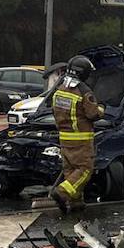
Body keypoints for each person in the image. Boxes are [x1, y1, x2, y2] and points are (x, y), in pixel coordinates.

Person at [51, 54, 105, 213]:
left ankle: (76, 202)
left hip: (64, 138)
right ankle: (62, 193)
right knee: (84, 169)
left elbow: (55, 111)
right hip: (81, 139)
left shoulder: (60, 89)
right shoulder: (83, 91)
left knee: (70, 170)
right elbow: (92, 114)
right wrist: (101, 109)